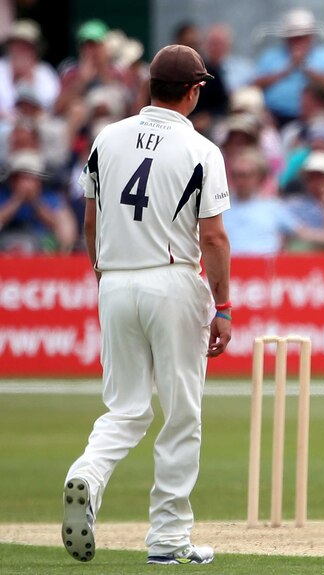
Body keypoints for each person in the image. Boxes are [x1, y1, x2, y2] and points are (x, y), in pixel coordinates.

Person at [62, 44, 232, 565]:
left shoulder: (106, 138)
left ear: (149, 86)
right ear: (193, 90)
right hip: (173, 279)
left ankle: (86, 475)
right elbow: (215, 239)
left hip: (114, 280)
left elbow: (90, 221)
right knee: (180, 414)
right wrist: (223, 307)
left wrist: (103, 273)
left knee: (127, 407)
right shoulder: (201, 149)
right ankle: (168, 540)